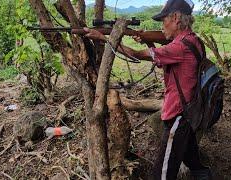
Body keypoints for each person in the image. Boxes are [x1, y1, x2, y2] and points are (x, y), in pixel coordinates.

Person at [84, 0, 212, 179]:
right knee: (191, 156)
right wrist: (148, 41)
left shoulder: (179, 46)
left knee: (161, 174)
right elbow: (164, 60)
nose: (162, 26)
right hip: (191, 110)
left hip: (179, 115)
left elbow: (135, 55)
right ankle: (202, 175)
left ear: (175, 18)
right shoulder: (193, 40)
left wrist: (104, 38)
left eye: (163, 21)